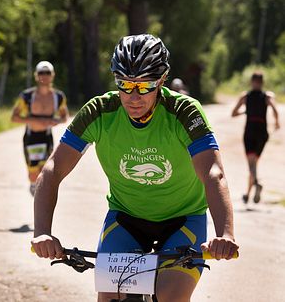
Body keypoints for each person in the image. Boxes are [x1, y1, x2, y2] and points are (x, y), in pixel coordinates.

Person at [31, 34, 238, 302]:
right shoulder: (99, 111)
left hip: (183, 219)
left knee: (170, 297)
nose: (133, 96)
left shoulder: (184, 111)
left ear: (162, 80)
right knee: (110, 297)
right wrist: (42, 232)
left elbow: (213, 172)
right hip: (126, 218)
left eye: (145, 86)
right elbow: (53, 170)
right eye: (125, 85)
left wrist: (226, 234)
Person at [11, 61, 68, 196]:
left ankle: (40, 198)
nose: (44, 76)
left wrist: (54, 121)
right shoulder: (27, 96)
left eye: (47, 73)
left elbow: (64, 117)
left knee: (45, 171)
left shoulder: (58, 97)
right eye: (41, 73)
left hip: (46, 137)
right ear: (36, 76)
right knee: (32, 173)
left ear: (52, 75)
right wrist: (36, 120)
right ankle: (33, 186)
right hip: (31, 137)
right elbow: (14, 117)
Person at [231, 71, 279, 204]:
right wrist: (277, 122)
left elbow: (233, 113)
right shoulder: (267, 96)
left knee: (251, 164)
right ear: (262, 83)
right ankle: (247, 193)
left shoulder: (245, 96)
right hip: (262, 133)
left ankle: (257, 183)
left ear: (251, 82)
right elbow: (275, 110)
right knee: (254, 164)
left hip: (250, 131)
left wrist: (244, 111)